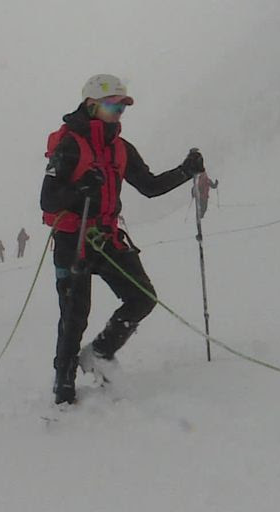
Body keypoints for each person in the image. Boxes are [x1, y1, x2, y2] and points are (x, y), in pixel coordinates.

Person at [40, 73, 204, 404]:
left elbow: (150, 186)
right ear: (91, 105)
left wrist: (186, 171)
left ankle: (100, 352)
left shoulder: (120, 148)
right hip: (73, 239)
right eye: (113, 105)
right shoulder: (69, 144)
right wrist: (78, 190)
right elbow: (48, 199)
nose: (119, 112)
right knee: (74, 316)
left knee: (142, 296)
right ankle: (64, 383)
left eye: (122, 107)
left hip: (107, 236)